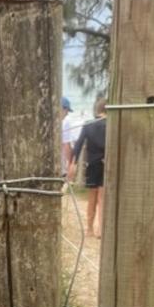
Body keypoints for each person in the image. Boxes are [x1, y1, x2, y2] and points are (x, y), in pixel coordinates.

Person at [69, 96, 106, 238]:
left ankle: (90, 228)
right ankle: (101, 229)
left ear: (96, 109)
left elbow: (78, 145)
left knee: (92, 196)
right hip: (106, 163)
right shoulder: (111, 124)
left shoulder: (88, 124)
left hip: (92, 164)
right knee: (102, 198)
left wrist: (73, 163)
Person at [61, 96, 74, 180]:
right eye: (67, 111)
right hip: (61, 164)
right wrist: (69, 164)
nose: (67, 114)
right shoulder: (66, 122)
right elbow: (67, 144)